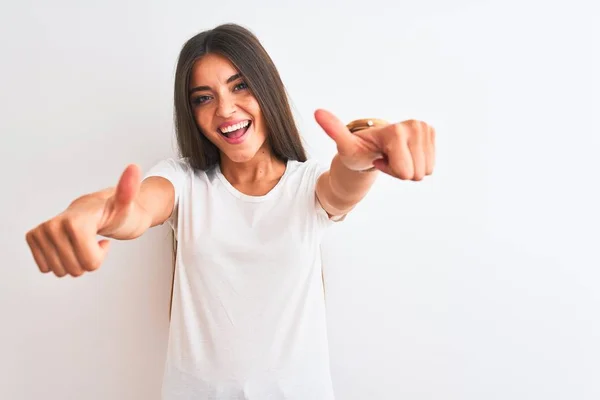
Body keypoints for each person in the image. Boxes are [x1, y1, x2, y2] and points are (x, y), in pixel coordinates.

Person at [25, 23, 435, 400]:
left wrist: (361, 159)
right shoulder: (183, 182)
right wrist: (87, 214)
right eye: (204, 98)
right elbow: (134, 209)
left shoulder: (306, 184)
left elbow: (342, 186)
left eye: (240, 87)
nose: (225, 110)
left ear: (266, 89)